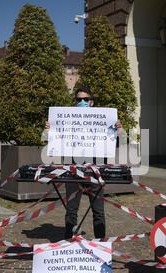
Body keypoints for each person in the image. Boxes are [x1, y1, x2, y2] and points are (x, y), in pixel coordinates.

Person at [46, 86, 122, 239]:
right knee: (71, 210)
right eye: (79, 99)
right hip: (74, 170)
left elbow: (115, 144)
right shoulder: (68, 121)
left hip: (95, 171)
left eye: (85, 99)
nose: (82, 102)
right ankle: (68, 240)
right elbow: (56, 143)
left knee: (98, 211)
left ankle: (100, 243)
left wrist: (118, 131)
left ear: (92, 102)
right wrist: (49, 131)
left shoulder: (102, 121)